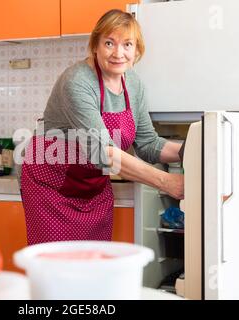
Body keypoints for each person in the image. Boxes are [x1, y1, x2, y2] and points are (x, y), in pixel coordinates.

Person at [19, 9, 184, 245]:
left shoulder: (134, 84)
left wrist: (190, 151)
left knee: (94, 267)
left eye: (127, 44)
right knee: (58, 271)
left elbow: (148, 144)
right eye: (109, 43)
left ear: (137, 50)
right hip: (50, 188)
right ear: (95, 45)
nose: (119, 53)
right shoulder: (77, 81)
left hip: (91, 187)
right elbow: (103, 153)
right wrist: (166, 181)